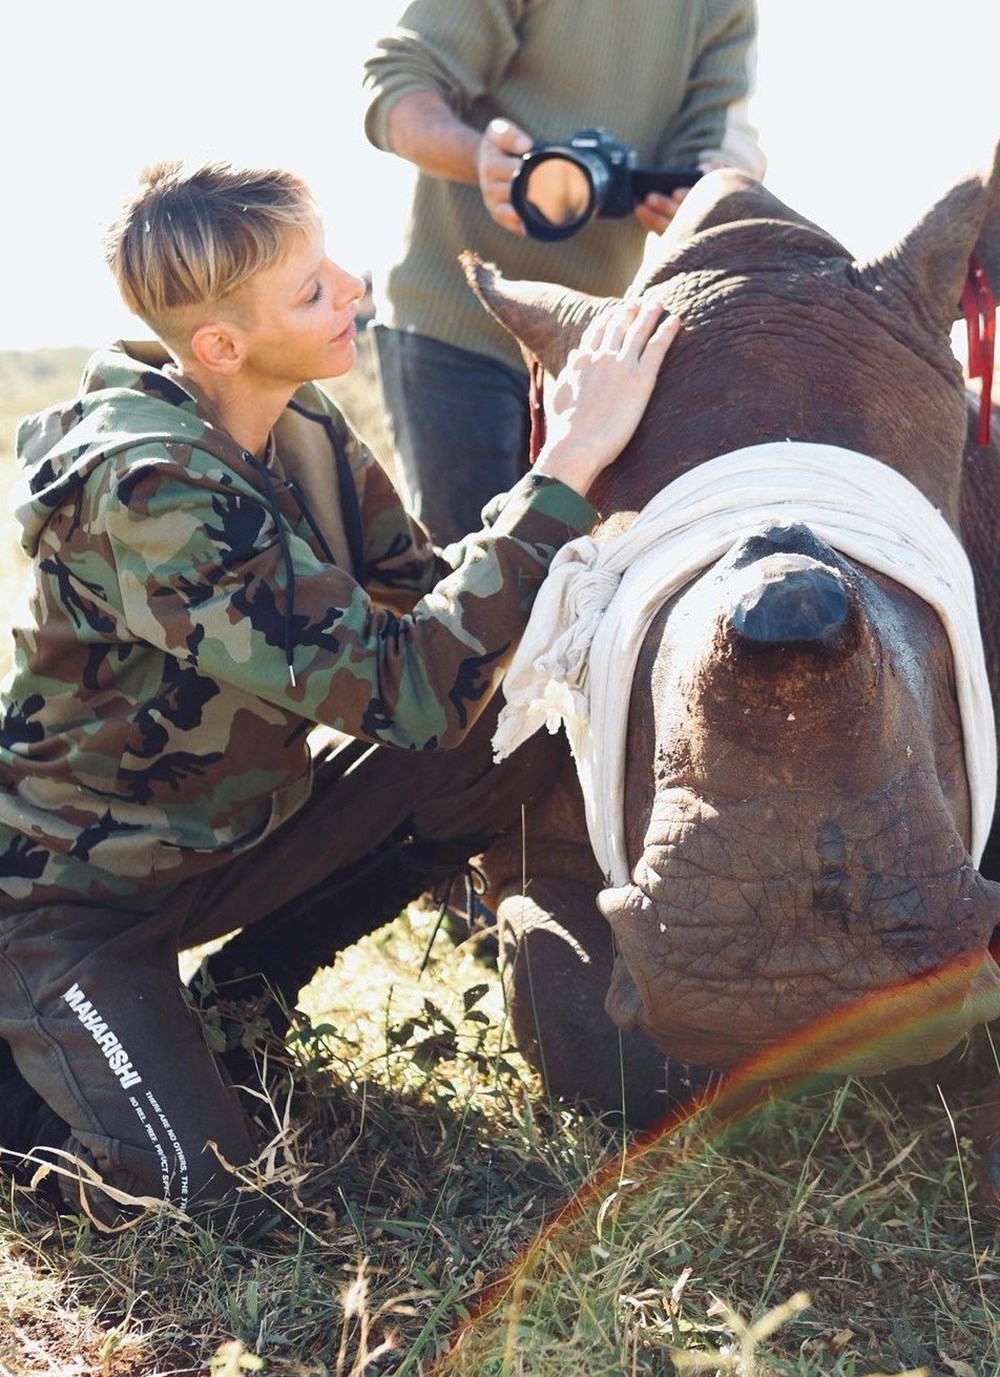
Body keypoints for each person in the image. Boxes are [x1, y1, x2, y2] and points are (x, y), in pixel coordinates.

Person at [0, 160, 679, 1234]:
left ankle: (240, 1002)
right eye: (313, 289)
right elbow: (404, 692)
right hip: (67, 907)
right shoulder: (149, 491)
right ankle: (34, 1069)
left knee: (509, 731)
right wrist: (570, 464)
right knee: (205, 1202)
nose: (354, 288)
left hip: (229, 845)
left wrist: (610, 534)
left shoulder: (303, 425)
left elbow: (434, 621)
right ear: (222, 345)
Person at [363, 0, 766, 545]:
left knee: (571, 579)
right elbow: (396, 86)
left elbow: (719, 142)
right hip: (452, 323)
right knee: (465, 578)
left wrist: (697, 187)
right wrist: (481, 160)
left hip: (590, 352)